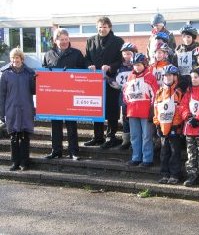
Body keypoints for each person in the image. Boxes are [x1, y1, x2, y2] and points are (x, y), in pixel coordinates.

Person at [43, 28, 85, 160]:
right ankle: (56, 151)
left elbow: (84, 72)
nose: (65, 42)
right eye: (61, 40)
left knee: (71, 124)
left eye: (66, 39)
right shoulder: (48, 54)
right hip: (55, 96)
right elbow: (44, 72)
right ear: (55, 41)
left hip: (71, 94)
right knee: (55, 125)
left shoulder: (77, 53)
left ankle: (73, 151)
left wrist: (71, 73)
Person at [84, 17, 125, 149]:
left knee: (112, 109)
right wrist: (89, 65)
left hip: (111, 81)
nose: (102, 29)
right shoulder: (90, 41)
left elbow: (121, 60)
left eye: (105, 27)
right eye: (100, 27)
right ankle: (97, 137)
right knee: (96, 108)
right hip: (95, 82)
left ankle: (111, 136)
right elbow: (87, 59)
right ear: (97, 27)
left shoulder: (118, 41)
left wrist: (111, 67)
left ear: (110, 27)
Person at [0, 48, 35, 171]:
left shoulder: (29, 73)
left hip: (26, 109)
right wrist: (1, 113)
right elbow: (2, 94)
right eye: (13, 58)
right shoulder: (5, 74)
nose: (15, 60)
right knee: (14, 137)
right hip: (11, 109)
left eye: (18, 58)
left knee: (25, 137)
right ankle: (15, 162)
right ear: (11, 59)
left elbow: (34, 91)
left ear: (22, 59)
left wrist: (36, 80)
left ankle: (24, 163)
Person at [124, 53, 158, 167]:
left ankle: (147, 159)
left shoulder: (150, 76)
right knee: (135, 136)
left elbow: (155, 94)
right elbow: (125, 93)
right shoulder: (130, 77)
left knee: (147, 136)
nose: (136, 67)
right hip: (132, 111)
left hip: (146, 112)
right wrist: (127, 105)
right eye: (134, 65)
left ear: (144, 64)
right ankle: (136, 157)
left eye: (139, 65)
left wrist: (152, 110)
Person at [154, 65, 183, 184]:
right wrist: (157, 124)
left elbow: (180, 109)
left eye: (170, 75)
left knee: (174, 152)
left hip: (174, 128)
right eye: (165, 75)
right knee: (164, 152)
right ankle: (165, 174)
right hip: (162, 127)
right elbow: (156, 109)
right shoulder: (159, 92)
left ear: (175, 77)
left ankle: (175, 175)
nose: (167, 77)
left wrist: (175, 125)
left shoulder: (178, 92)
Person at [107, 42, 137, 150]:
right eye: (125, 54)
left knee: (134, 118)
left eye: (129, 54)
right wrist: (108, 79)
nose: (127, 56)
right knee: (125, 118)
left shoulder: (138, 66)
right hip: (123, 96)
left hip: (136, 97)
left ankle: (135, 141)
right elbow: (115, 81)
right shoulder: (119, 67)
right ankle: (126, 140)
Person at [174, 24, 199, 92]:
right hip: (181, 81)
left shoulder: (198, 49)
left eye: (188, 37)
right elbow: (174, 64)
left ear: (193, 38)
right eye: (184, 37)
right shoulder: (178, 49)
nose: (186, 39)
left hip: (193, 80)